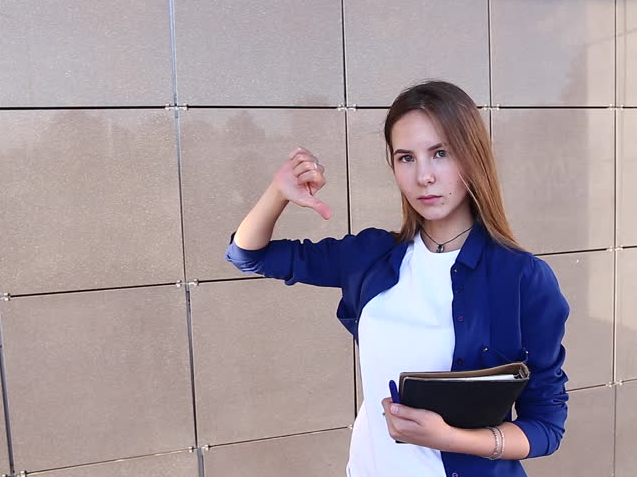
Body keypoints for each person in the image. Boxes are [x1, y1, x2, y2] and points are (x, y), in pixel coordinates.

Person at [225, 80, 569, 477]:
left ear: (472, 156)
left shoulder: (521, 277)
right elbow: (248, 255)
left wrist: (450, 439)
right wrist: (279, 191)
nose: (424, 176)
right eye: (406, 158)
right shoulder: (370, 256)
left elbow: (546, 427)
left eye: (440, 153)